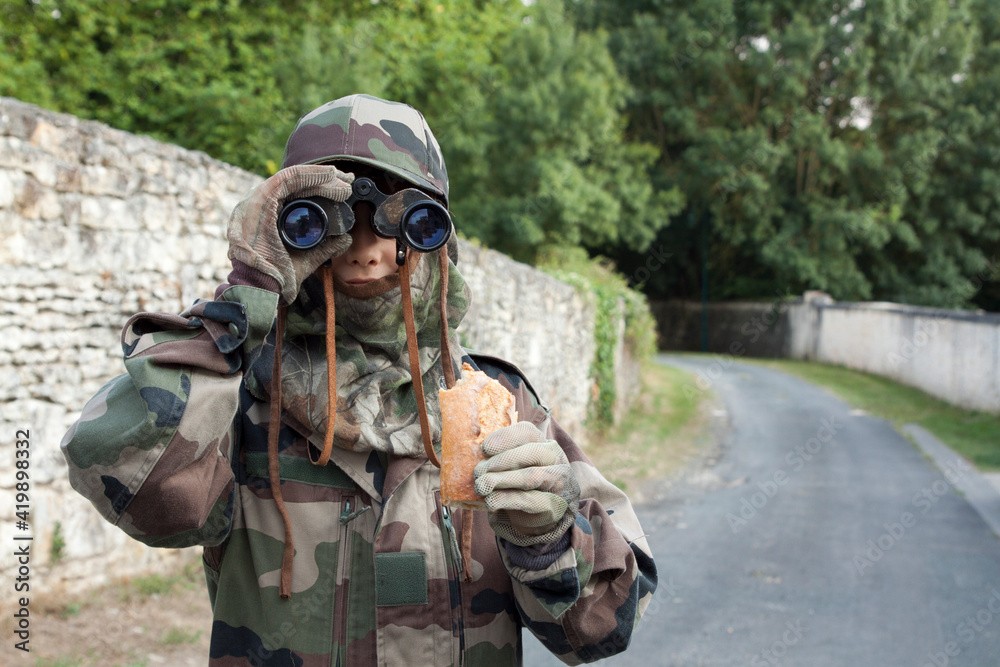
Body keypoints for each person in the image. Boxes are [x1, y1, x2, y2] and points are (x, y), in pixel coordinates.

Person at [60, 94, 657, 666]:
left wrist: (549, 541)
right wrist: (243, 301)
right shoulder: (238, 393)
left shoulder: (496, 404)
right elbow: (132, 487)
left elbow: (603, 628)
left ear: (437, 236)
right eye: (331, 225)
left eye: (402, 218)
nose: (367, 251)